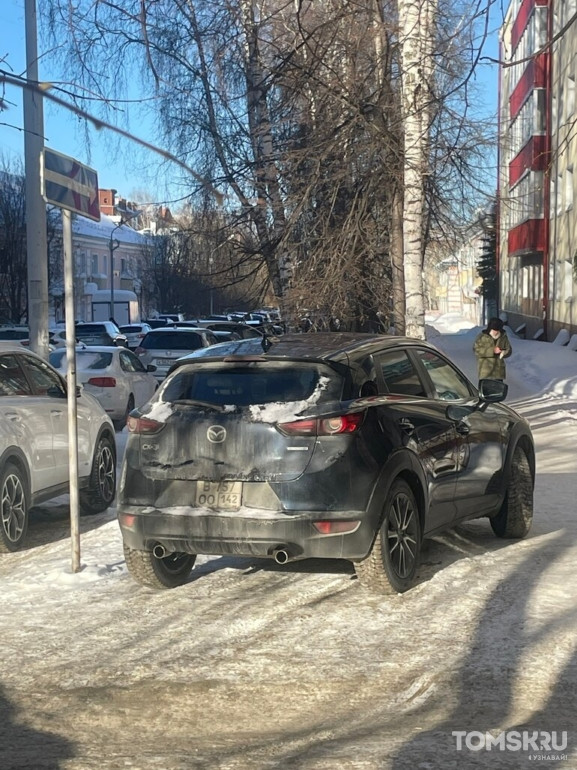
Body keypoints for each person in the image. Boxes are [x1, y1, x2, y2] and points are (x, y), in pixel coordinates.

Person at [473, 317, 512, 382]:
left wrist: (504, 352)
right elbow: (477, 350)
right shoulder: (483, 337)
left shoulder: (503, 337)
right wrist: (492, 351)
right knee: (486, 391)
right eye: (494, 330)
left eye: (498, 330)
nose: (496, 332)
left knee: (498, 391)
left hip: (498, 372)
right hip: (485, 372)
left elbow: (509, 350)